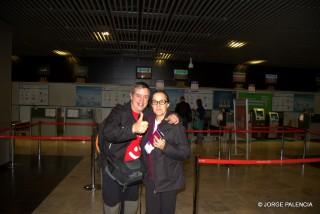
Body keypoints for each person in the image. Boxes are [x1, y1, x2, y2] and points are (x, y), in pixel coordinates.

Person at [100, 82, 179, 214]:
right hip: (114, 169)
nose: (141, 100)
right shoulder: (119, 111)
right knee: (112, 207)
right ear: (131, 96)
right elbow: (108, 132)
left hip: (135, 171)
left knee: (131, 207)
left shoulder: (149, 114)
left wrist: (175, 116)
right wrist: (133, 129)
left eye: (146, 97)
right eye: (138, 95)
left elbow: (165, 113)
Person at [141, 90, 191, 214]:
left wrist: (166, 147)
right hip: (151, 179)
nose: (158, 105)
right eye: (155, 102)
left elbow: (185, 153)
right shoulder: (146, 122)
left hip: (168, 181)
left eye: (162, 102)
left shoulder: (175, 125)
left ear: (168, 104)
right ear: (151, 105)